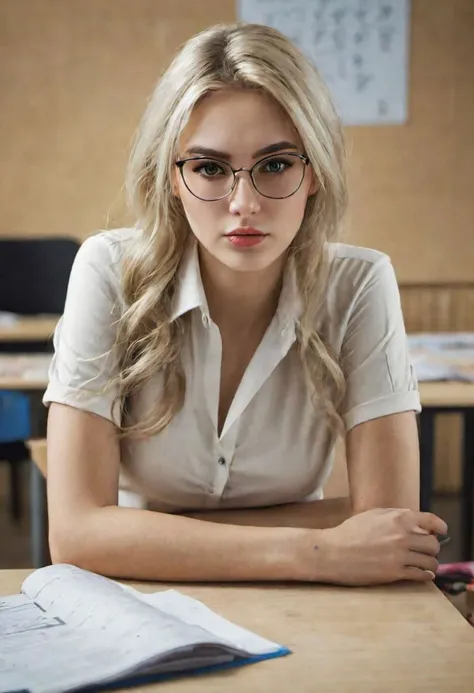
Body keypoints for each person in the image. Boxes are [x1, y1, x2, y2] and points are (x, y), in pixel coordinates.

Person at [44, 22, 447, 586]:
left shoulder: (359, 284)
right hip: (135, 602)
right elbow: (75, 536)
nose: (244, 203)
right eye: (209, 168)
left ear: (315, 174)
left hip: (304, 606)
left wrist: (150, 531)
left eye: (276, 164)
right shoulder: (109, 270)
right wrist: (321, 548)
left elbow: (387, 531)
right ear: (171, 179)